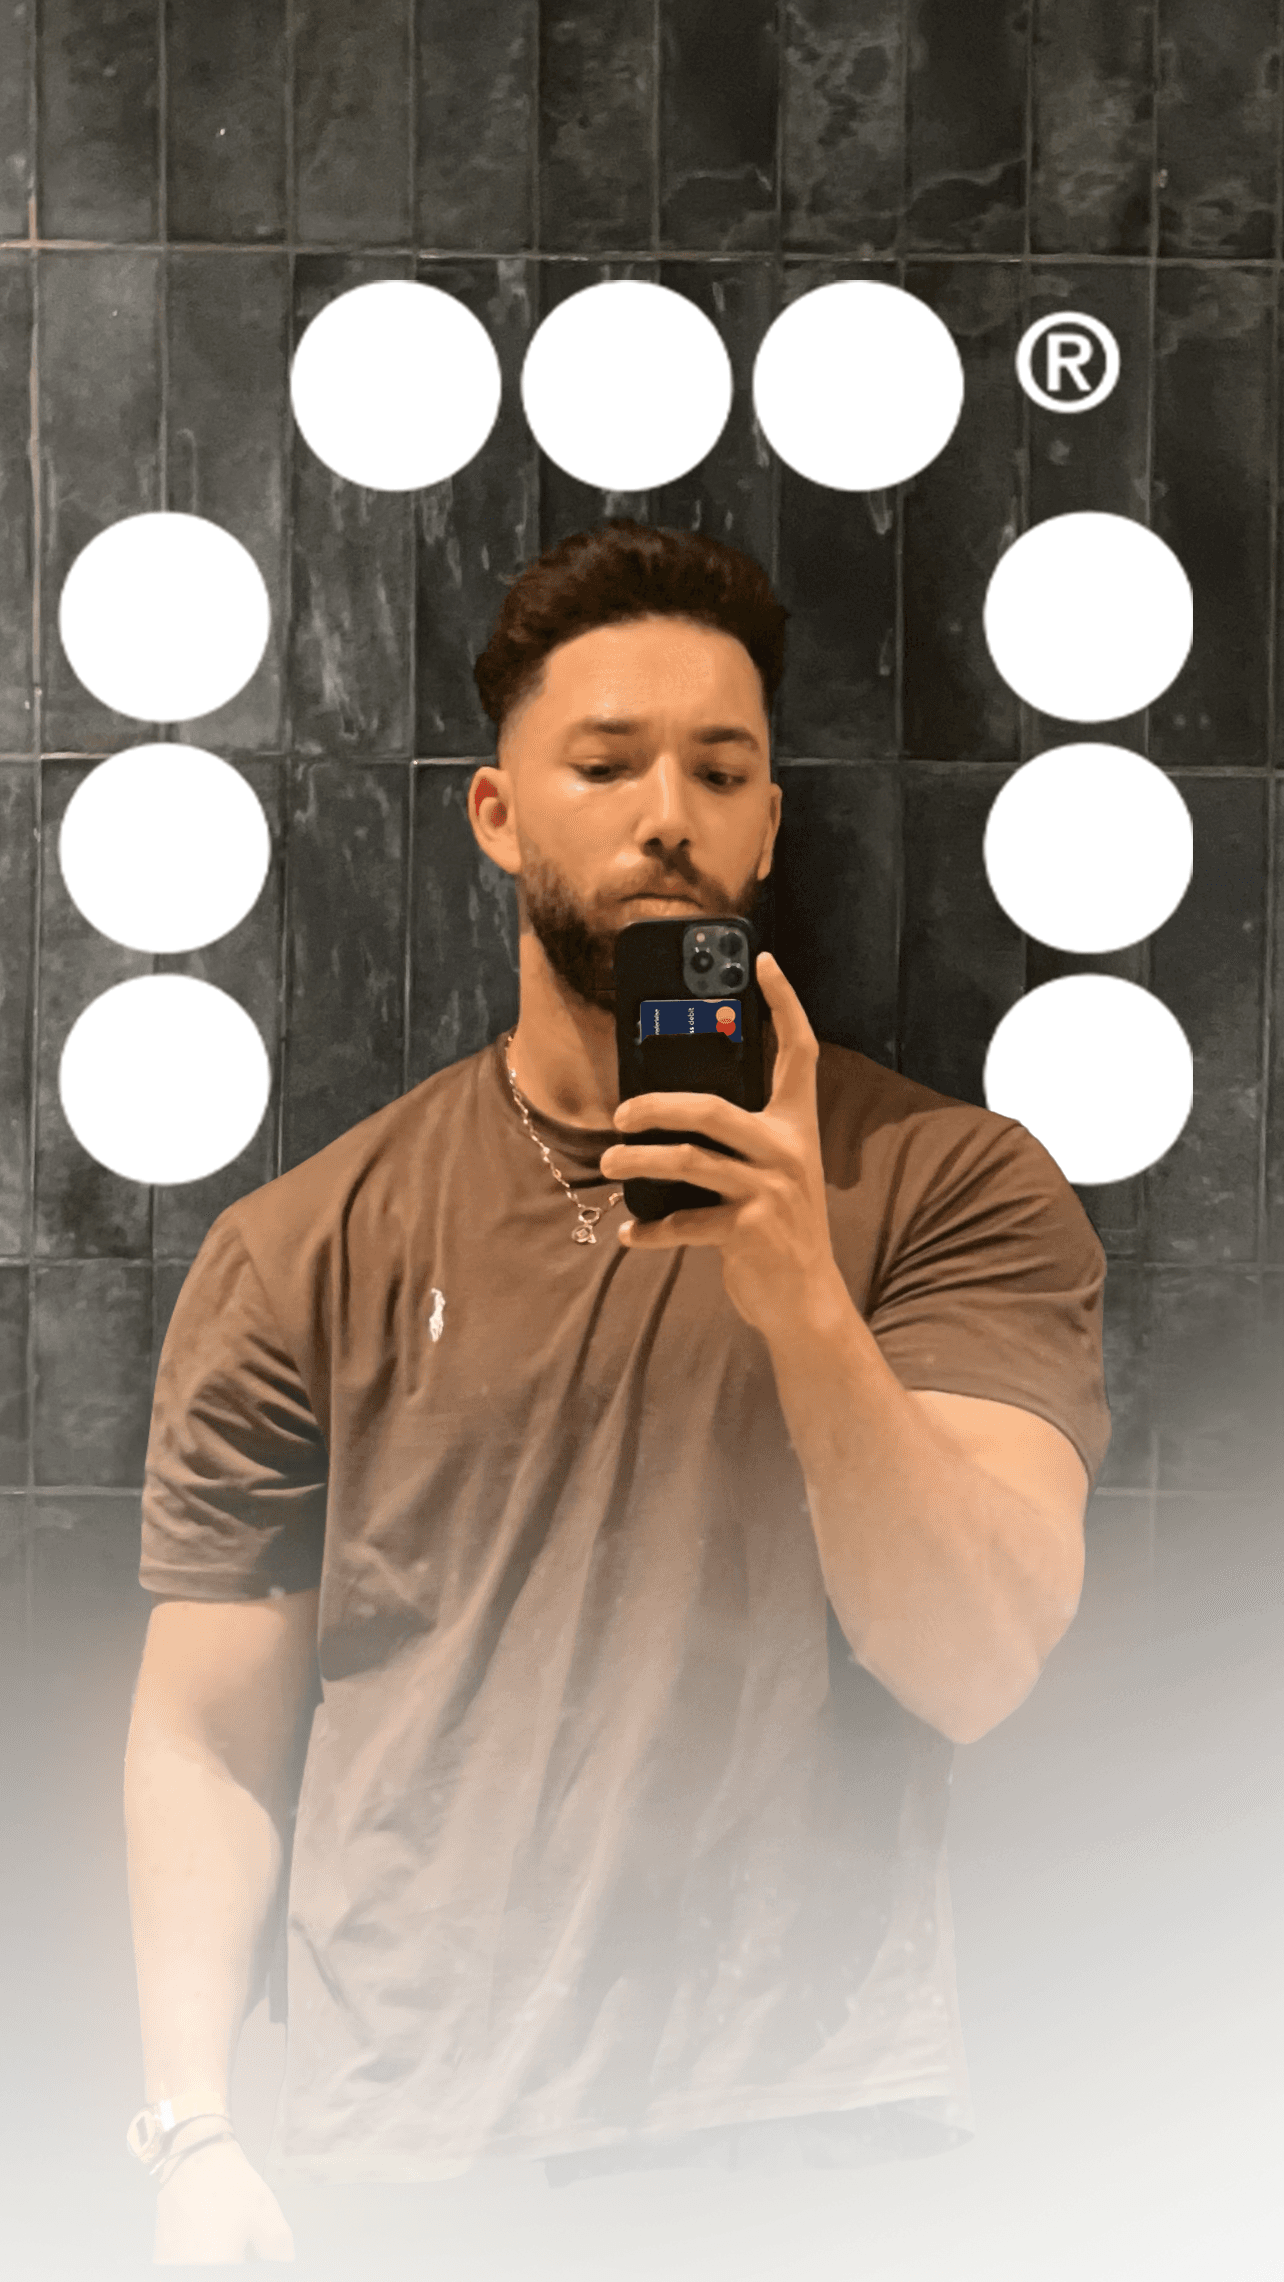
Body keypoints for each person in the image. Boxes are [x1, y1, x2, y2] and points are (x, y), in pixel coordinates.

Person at [122, 516, 1111, 2265]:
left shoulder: (955, 1189)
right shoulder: (304, 1243)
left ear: (770, 822)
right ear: (500, 812)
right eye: (607, 761)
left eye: (721, 768)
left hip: (808, 2148)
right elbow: (207, 1731)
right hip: (403, 2160)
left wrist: (800, 1281)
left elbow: (976, 1653)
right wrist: (190, 2128)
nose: (670, 809)